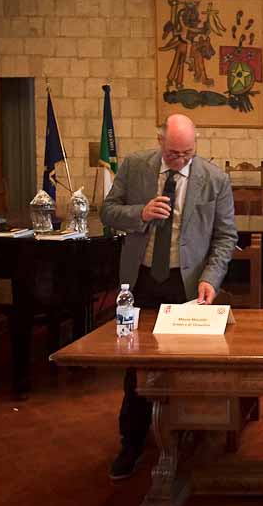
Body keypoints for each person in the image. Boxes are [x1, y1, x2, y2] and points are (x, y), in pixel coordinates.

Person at [100, 113, 237, 479]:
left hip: (186, 285)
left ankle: (186, 433)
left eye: (188, 153)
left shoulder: (215, 179)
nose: (180, 160)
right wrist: (140, 213)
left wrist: (211, 278)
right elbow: (108, 212)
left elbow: (226, 237)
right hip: (142, 280)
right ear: (160, 141)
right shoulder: (135, 166)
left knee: (188, 364)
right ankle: (131, 441)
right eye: (174, 153)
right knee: (137, 365)